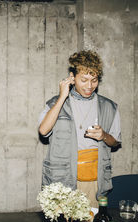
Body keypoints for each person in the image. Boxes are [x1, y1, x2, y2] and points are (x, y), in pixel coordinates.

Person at [38, 50, 121, 207]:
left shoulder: (109, 107)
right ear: (72, 77)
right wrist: (63, 96)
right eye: (84, 80)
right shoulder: (55, 103)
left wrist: (103, 135)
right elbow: (43, 131)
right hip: (62, 181)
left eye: (94, 80)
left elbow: (115, 142)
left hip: (94, 183)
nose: (89, 86)